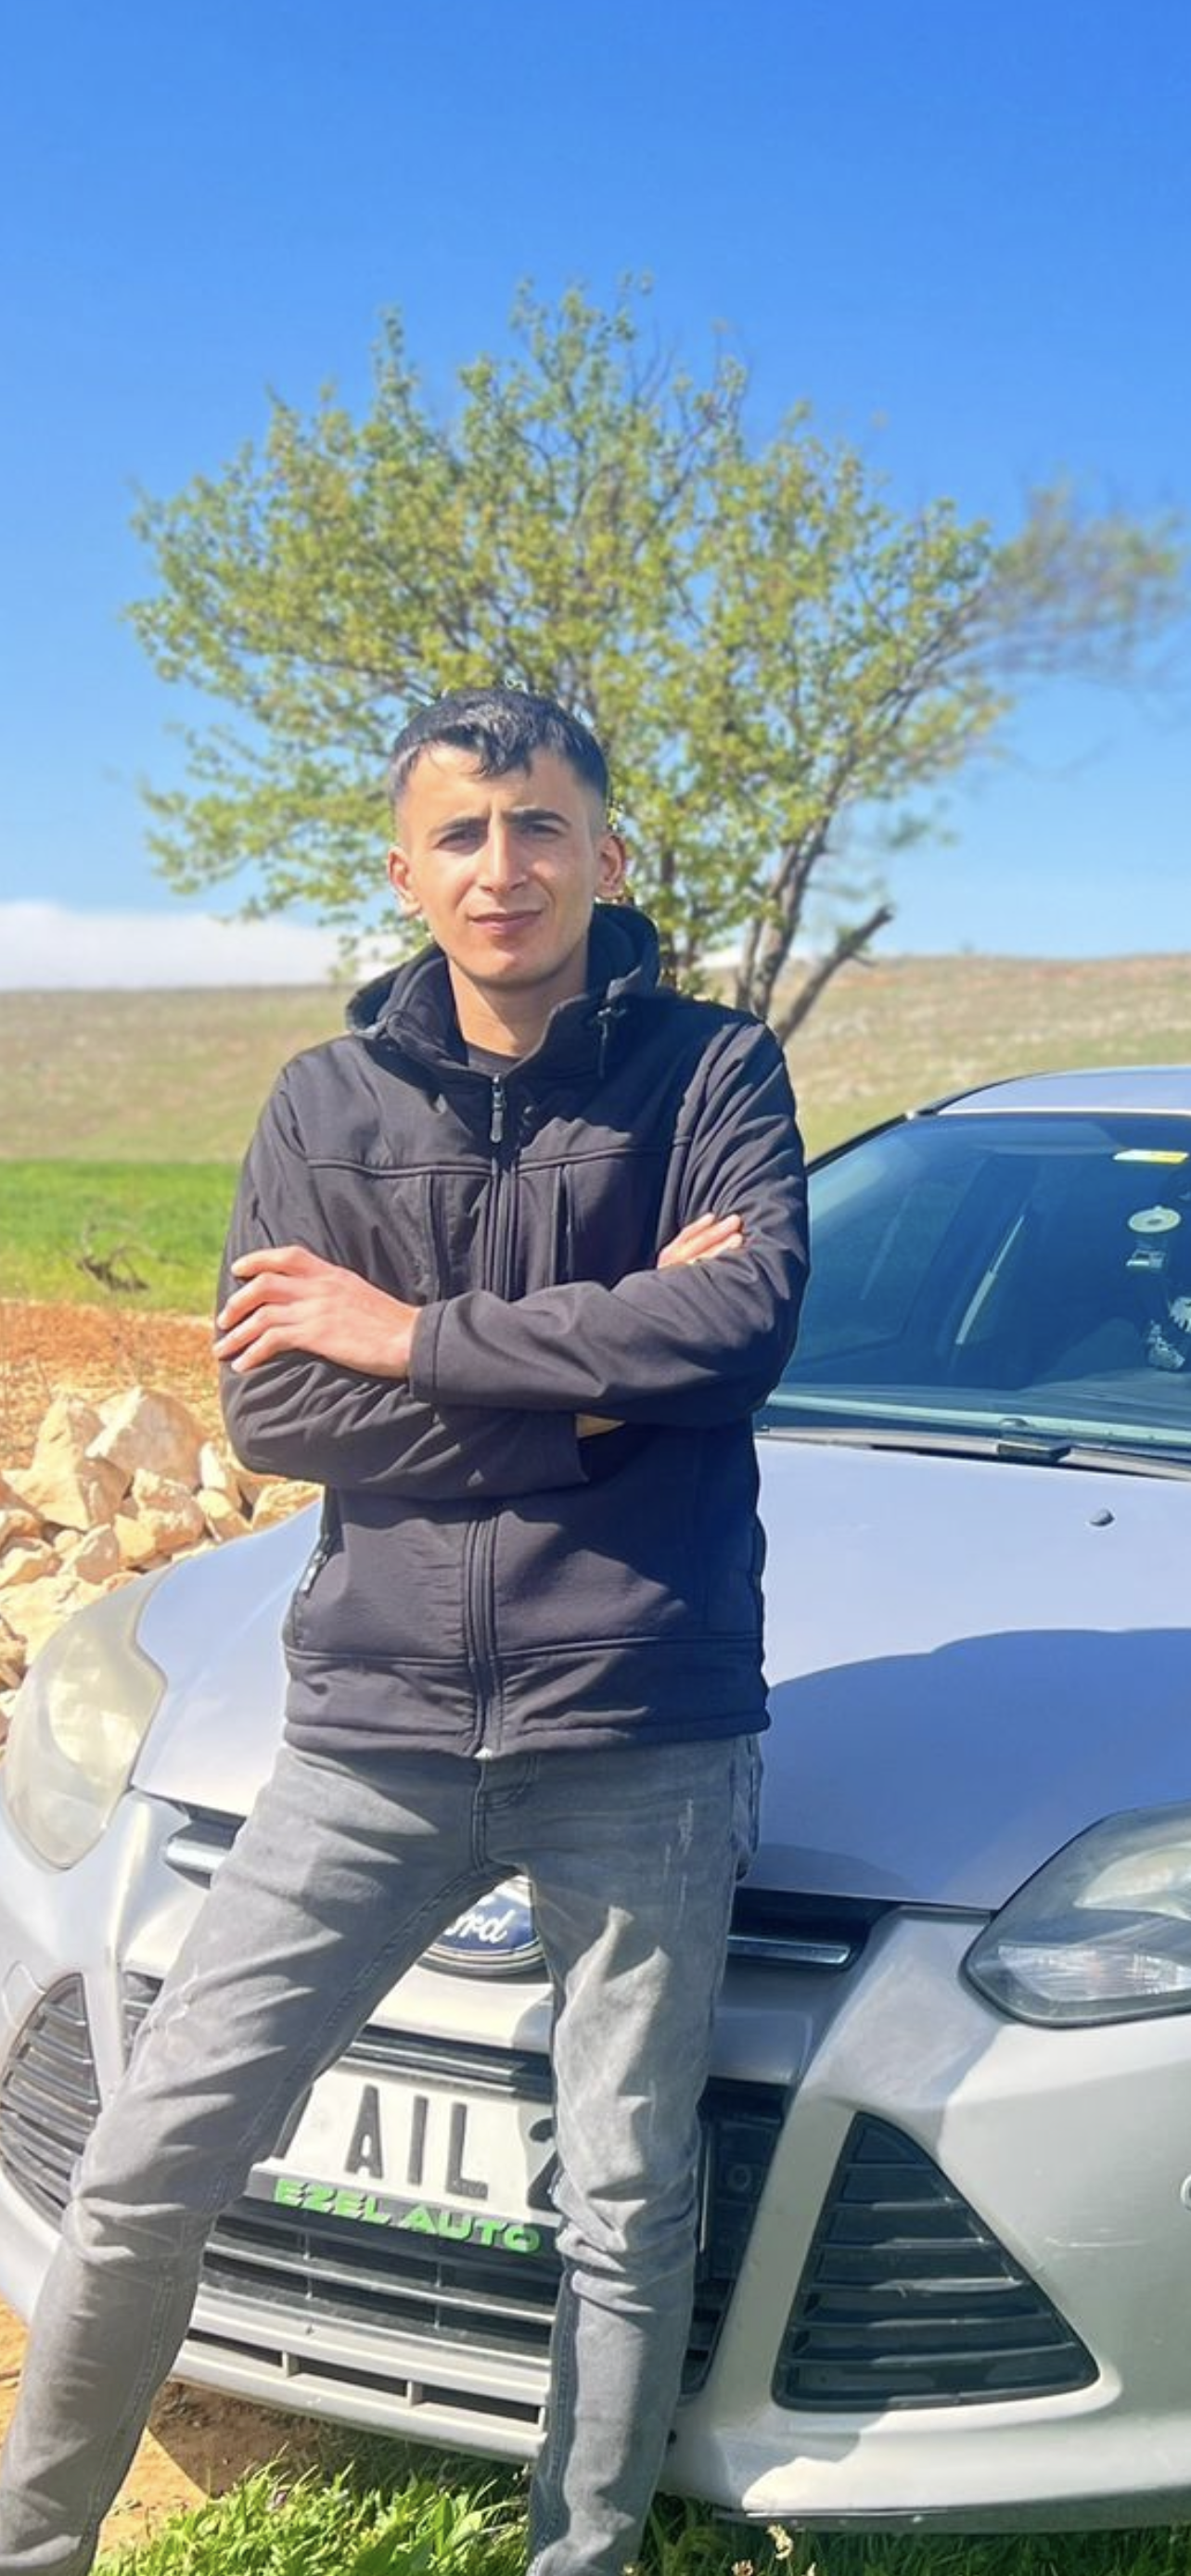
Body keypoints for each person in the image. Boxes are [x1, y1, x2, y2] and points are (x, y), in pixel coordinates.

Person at [0, 686, 808, 2576]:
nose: (502, 866)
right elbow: (282, 1408)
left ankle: (581, 2556)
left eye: (539, 826)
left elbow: (739, 1329)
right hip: (368, 1730)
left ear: (606, 853)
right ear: (406, 870)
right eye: (461, 833)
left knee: (625, 2199)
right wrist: (602, 1390)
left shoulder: (713, 1074)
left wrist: (409, 1337)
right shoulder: (325, 1103)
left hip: (640, 1720)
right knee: (149, 2162)